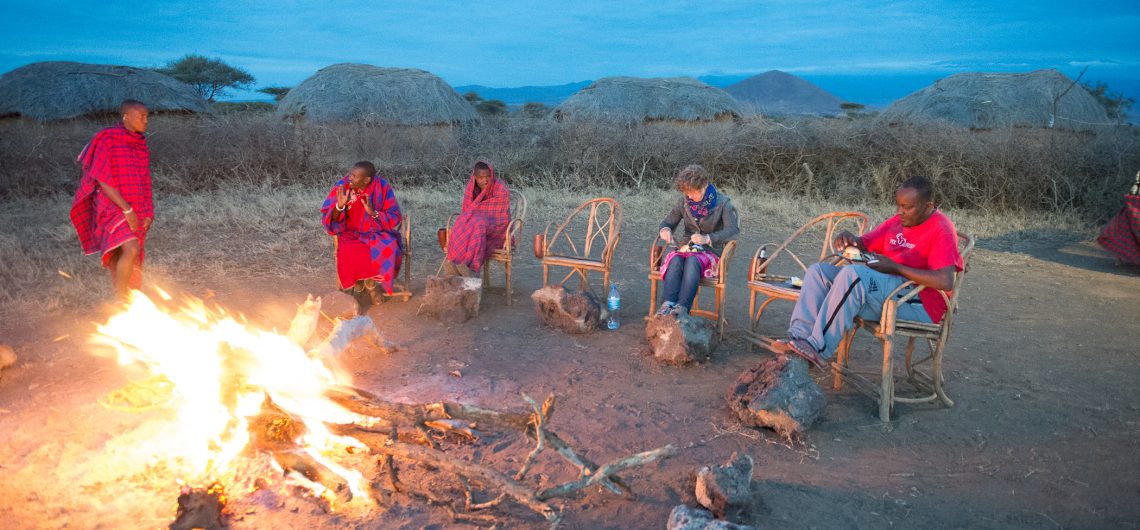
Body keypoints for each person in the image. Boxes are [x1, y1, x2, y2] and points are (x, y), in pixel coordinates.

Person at [774, 175, 964, 369]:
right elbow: (864, 244)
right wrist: (850, 239)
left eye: (907, 207)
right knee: (818, 272)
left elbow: (945, 280)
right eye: (898, 206)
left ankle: (816, 348)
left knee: (853, 275)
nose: (900, 212)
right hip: (886, 292)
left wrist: (896, 267)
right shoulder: (898, 221)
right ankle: (798, 338)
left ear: (928, 205)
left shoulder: (942, 229)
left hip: (919, 302)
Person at [70, 100, 154, 299]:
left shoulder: (140, 144)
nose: (145, 120)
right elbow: (101, 178)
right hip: (112, 204)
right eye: (140, 116)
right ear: (125, 116)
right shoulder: (107, 139)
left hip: (137, 204)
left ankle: (128, 297)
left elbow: (145, 179)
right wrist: (127, 210)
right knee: (131, 248)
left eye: (147, 116)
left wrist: (148, 211)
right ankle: (122, 297)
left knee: (129, 251)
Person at [655, 164, 740, 316]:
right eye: (687, 192)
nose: (689, 196)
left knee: (693, 261)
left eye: (694, 192)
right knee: (675, 260)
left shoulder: (723, 203)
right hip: (686, 249)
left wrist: (708, 238)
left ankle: (681, 309)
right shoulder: (684, 202)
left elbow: (733, 231)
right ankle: (667, 305)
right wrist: (665, 230)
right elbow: (668, 222)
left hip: (711, 251)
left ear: (704, 185)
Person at [320, 161, 403, 316]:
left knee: (389, 246)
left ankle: (371, 284)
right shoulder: (342, 186)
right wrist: (339, 206)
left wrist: (373, 213)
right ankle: (358, 285)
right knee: (351, 250)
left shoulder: (382, 187)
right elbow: (330, 218)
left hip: (376, 231)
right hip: (349, 231)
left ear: (367, 180)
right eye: (350, 174)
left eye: (354, 176)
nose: (349, 178)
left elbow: (394, 215)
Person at [443, 160, 511, 276]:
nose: (485, 180)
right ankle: (456, 262)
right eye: (481, 177)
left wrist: (478, 215)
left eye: (488, 176)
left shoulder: (500, 188)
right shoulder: (471, 187)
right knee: (462, 221)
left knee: (478, 224)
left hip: (498, 227)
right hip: (478, 224)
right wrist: (474, 217)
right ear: (475, 177)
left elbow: (501, 215)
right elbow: (466, 212)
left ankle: (472, 267)